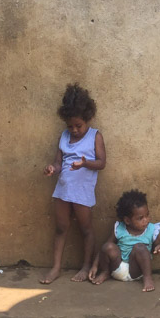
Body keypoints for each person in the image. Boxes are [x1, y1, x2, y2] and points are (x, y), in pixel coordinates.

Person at [40, 83, 106, 284]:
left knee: (86, 229)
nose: (74, 130)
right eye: (70, 126)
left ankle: (86, 266)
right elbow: (59, 163)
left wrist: (86, 162)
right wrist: (52, 169)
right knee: (61, 228)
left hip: (82, 192)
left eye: (79, 125)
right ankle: (56, 267)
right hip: (63, 190)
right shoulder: (64, 137)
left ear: (88, 119)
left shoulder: (95, 136)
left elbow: (102, 163)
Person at [89, 189, 160, 292]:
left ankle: (147, 278)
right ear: (127, 220)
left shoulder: (152, 229)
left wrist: (159, 247)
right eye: (140, 218)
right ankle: (105, 272)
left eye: (147, 215)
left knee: (140, 247)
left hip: (135, 270)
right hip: (116, 267)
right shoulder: (119, 228)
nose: (146, 220)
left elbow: (157, 244)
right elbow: (105, 247)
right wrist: (94, 266)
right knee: (108, 246)